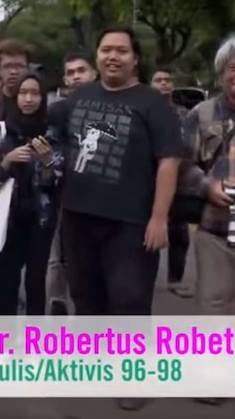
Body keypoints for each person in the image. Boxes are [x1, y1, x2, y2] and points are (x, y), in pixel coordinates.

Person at [51, 27, 181, 412]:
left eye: (121, 51)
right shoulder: (80, 99)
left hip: (132, 221)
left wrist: (159, 217)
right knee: (87, 298)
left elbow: (168, 162)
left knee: (129, 300)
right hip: (77, 215)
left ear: (135, 58)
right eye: (106, 49)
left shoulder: (153, 104)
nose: (112, 57)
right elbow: (45, 129)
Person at [178, 36, 235, 408]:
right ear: (222, 73)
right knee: (215, 304)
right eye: (234, 69)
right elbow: (180, 164)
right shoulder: (200, 115)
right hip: (216, 224)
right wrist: (207, 186)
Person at [0, 72, 63, 315]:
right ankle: (2, 343)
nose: (29, 99)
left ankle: (34, 343)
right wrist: (7, 161)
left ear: (43, 98)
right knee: (5, 281)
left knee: (35, 282)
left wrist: (46, 163)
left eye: (35, 93)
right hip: (6, 218)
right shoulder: (2, 131)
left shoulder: (53, 133)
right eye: (23, 93)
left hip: (39, 220)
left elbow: (53, 184)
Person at [46, 52, 97, 315]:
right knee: (60, 254)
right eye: (70, 72)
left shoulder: (108, 110)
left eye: (82, 70)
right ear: (65, 79)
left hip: (100, 195)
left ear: (93, 73)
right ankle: (57, 301)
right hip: (64, 192)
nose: (76, 76)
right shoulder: (57, 110)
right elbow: (50, 150)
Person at [150, 65, 192, 297]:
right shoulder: (144, 110)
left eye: (167, 80)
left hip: (179, 179)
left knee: (179, 232)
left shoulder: (184, 113)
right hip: (147, 179)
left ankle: (175, 280)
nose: (164, 84)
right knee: (147, 232)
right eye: (159, 80)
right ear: (151, 84)